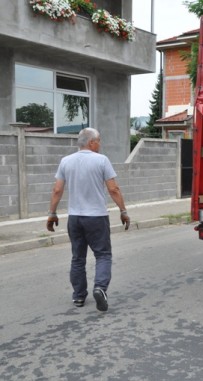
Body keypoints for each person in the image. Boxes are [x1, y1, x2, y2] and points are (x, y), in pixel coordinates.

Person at [47, 127, 130, 312]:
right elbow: (114, 189)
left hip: (75, 218)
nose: (100, 144)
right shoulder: (101, 160)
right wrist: (123, 210)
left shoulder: (66, 161)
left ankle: (78, 297)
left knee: (77, 258)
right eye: (99, 140)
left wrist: (52, 213)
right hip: (96, 217)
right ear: (91, 142)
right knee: (103, 255)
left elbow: (57, 190)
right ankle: (100, 288)